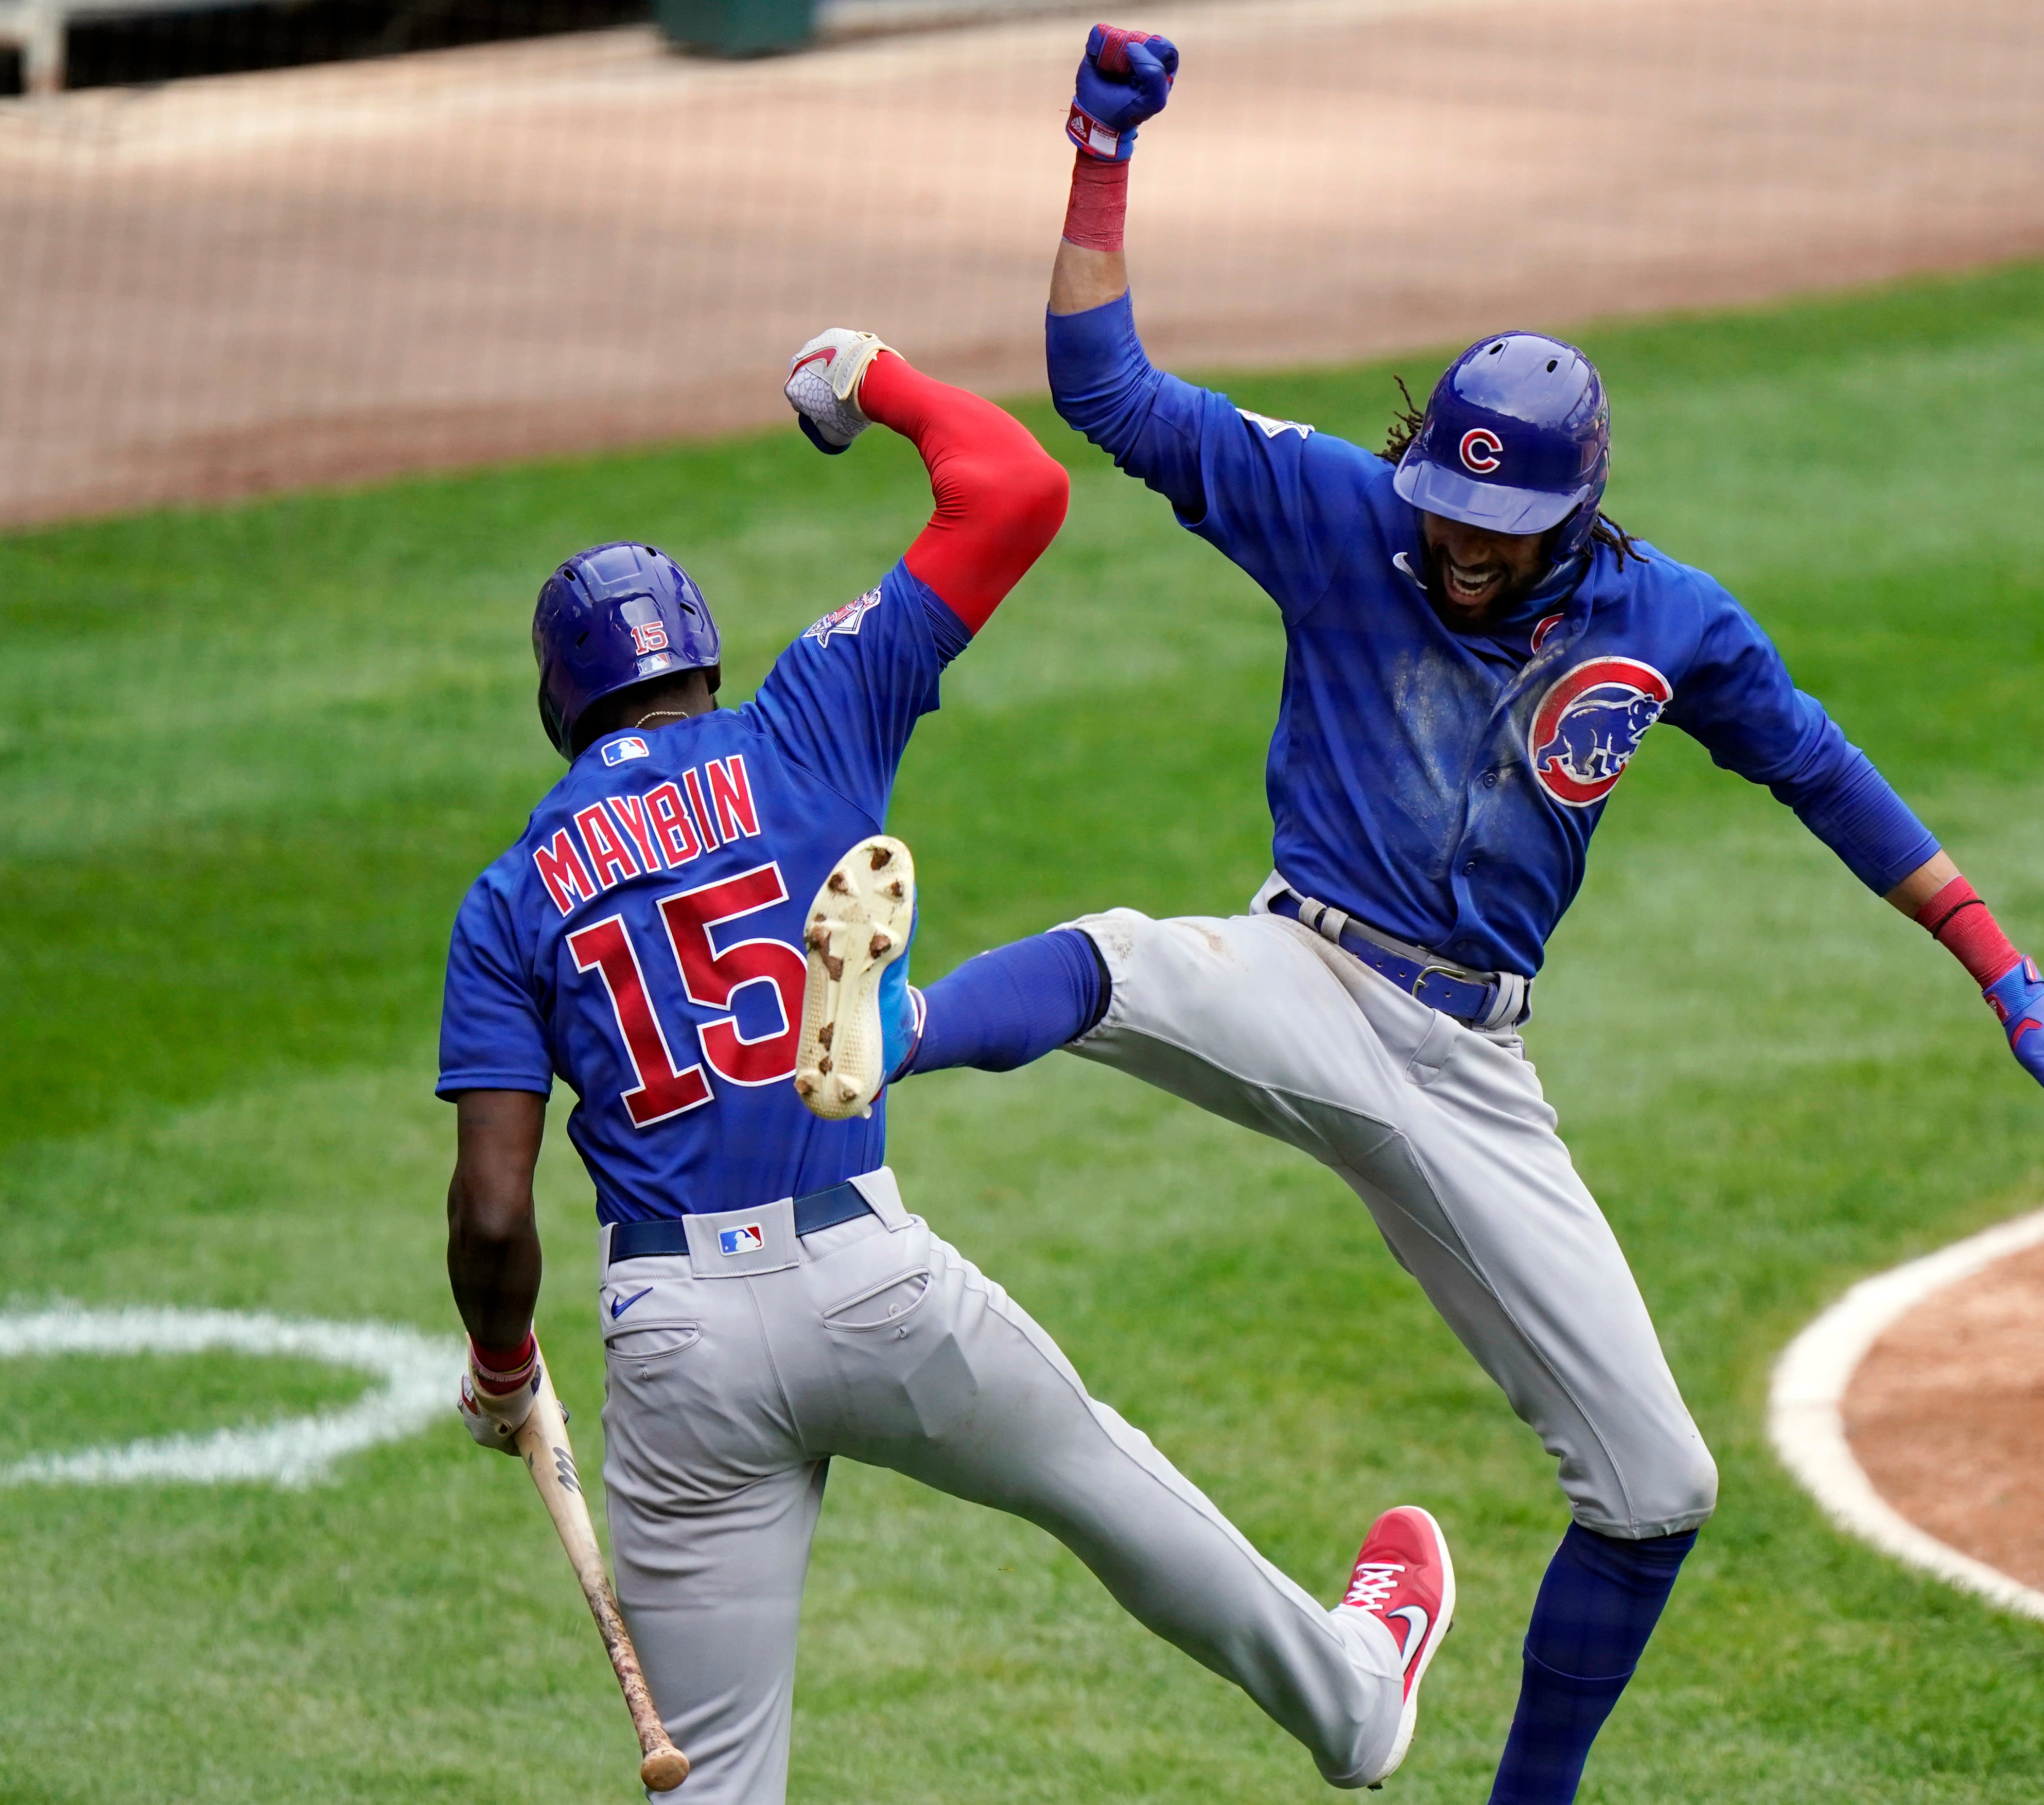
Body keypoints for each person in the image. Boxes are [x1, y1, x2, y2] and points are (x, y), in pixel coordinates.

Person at [833, 27, 2044, 1805]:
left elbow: (1823, 771)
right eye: (1447, 503)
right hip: (1300, 963)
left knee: (1661, 1490)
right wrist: (1101, 149)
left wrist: (2003, 966)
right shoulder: (1348, 514)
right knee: (1128, 961)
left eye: (1501, 527)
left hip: (1476, 1062)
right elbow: (1106, 386)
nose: (1461, 545)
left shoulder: (1670, 622)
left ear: (1577, 514)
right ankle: (888, 1028)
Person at [436, 327, 1456, 1805]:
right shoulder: (801, 719)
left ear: (557, 711)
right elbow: (1017, 488)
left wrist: (501, 1370)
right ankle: (1354, 1701)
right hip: (873, 1283)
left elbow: (489, 1212)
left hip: (677, 1343)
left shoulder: (510, 894)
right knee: (1103, 1484)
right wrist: (878, 380)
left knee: (710, 1782)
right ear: (703, 664)